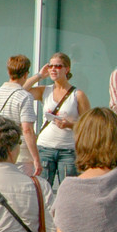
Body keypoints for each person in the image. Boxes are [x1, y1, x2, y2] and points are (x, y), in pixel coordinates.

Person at [24, 52, 90, 188]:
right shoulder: (45, 91)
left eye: (58, 66)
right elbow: (21, 91)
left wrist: (70, 124)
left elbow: (88, 124)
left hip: (68, 150)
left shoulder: (77, 95)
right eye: (51, 66)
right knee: (43, 190)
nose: (53, 69)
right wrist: (40, 76)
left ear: (67, 69)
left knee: (69, 190)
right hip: (45, 147)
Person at [0, 55, 41, 177]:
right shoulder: (24, 96)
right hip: (20, 153)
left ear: (8, 71)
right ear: (26, 74)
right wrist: (36, 158)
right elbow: (27, 130)